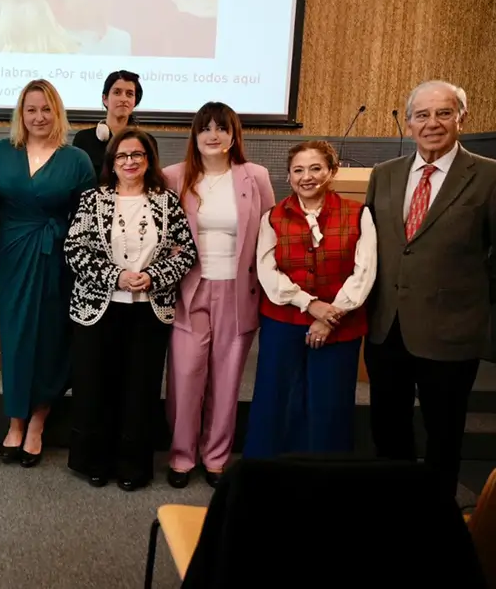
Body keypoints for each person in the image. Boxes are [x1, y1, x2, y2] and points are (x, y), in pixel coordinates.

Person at [364, 80, 496, 496]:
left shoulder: (489, 176)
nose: (432, 123)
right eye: (422, 115)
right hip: (387, 327)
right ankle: (394, 509)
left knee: (444, 433)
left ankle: (436, 519)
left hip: (452, 330)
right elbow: (372, 248)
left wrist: (467, 295)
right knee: (389, 428)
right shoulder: (384, 175)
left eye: (443, 113)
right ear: (407, 124)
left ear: (462, 118)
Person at [0, 79, 96, 467]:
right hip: (12, 251)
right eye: (31, 110)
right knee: (16, 335)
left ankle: (39, 418)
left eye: (46, 109)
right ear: (20, 114)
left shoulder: (76, 159)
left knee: (50, 337)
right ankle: (16, 419)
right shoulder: (2, 152)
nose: (39, 117)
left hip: (57, 255)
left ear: (57, 112)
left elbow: (89, 217)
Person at [64, 128, 197, 490]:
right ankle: (95, 461)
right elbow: (75, 250)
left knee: (139, 390)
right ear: (111, 161)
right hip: (98, 308)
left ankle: (132, 467)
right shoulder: (93, 199)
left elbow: (186, 252)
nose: (129, 162)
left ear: (148, 160)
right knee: (96, 387)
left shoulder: (167, 201)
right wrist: (115, 276)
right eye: (122, 156)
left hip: (148, 310)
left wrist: (153, 276)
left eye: (137, 155)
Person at [162, 101, 275, 488]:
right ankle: (181, 456)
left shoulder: (254, 176)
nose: (213, 135)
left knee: (227, 380)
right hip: (189, 290)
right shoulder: (174, 176)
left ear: (232, 136)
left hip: (238, 290)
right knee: (185, 374)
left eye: (221, 128)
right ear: (195, 135)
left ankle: (215, 458)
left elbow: (270, 232)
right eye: (205, 128)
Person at [244, 140, 376, 458]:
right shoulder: (272, 217)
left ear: (331, 171)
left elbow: (365, 270)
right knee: (276, 399)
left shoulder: (359, 213)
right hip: (284, 323)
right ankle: (268, 472)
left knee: (329, 403)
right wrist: (309, 304)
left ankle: (324, 477)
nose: (307, 177)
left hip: (340, 325)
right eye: (298, 170)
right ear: (288, 177)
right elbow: (267, 271)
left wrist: (332, 314)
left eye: (316, 168)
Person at [73, 70, 142, 178]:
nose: (124, 99)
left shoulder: (145, 141)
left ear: (134, 102)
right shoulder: (84, 139)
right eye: (117, 92)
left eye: (129, 94)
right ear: (105, 99)